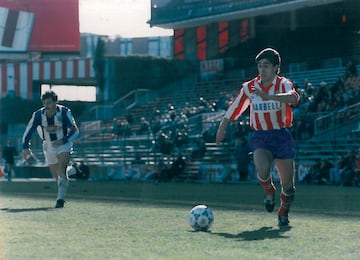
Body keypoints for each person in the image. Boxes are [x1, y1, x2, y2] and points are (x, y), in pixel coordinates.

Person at [216, 48, 300, 226]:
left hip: (281, 136)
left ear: (276, 67)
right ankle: (269, 193)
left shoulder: (283, 84)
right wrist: (222, 127)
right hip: (260, 136)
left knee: (289, 186)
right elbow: (236, 107)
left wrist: (268, 96)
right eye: (260, 66)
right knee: (262, 170)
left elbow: (294, 98)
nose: (262, 70)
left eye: (266, 66)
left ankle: (283, 211)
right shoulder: (249, 87)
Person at [22, 91, 79, 208]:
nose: (46, 106)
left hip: (64, 144)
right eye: (44, 103)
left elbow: (75, 131)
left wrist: (63, 141)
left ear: (55, 102)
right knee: (57, 176)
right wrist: (25, 147)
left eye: (49, 103)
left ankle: (60, 200)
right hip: (48, 146)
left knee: (62, 170)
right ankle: (72, 170)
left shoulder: (64, 112)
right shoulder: (38, 115)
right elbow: (29, 130)